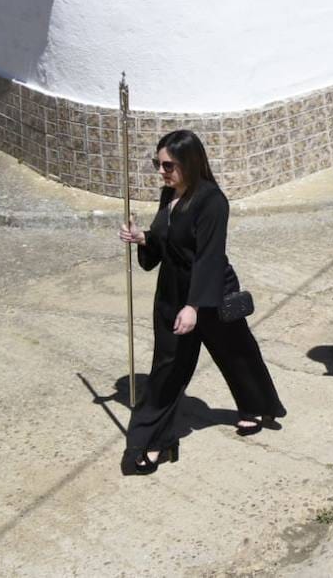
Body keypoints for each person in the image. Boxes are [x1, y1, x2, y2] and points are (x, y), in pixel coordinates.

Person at [119, 130, 285, 475]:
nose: (162, 172)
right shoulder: (169, 196)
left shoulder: (212, 201)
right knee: (167, 369)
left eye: (169, 165)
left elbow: (208, 257)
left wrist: (194, 306)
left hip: (209, 293)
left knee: (236, 354)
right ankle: (155, 442)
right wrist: (143, 238)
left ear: (190, 164)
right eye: (158, 164)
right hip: (172, 294)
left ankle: (256, 407)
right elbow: (166, 243)